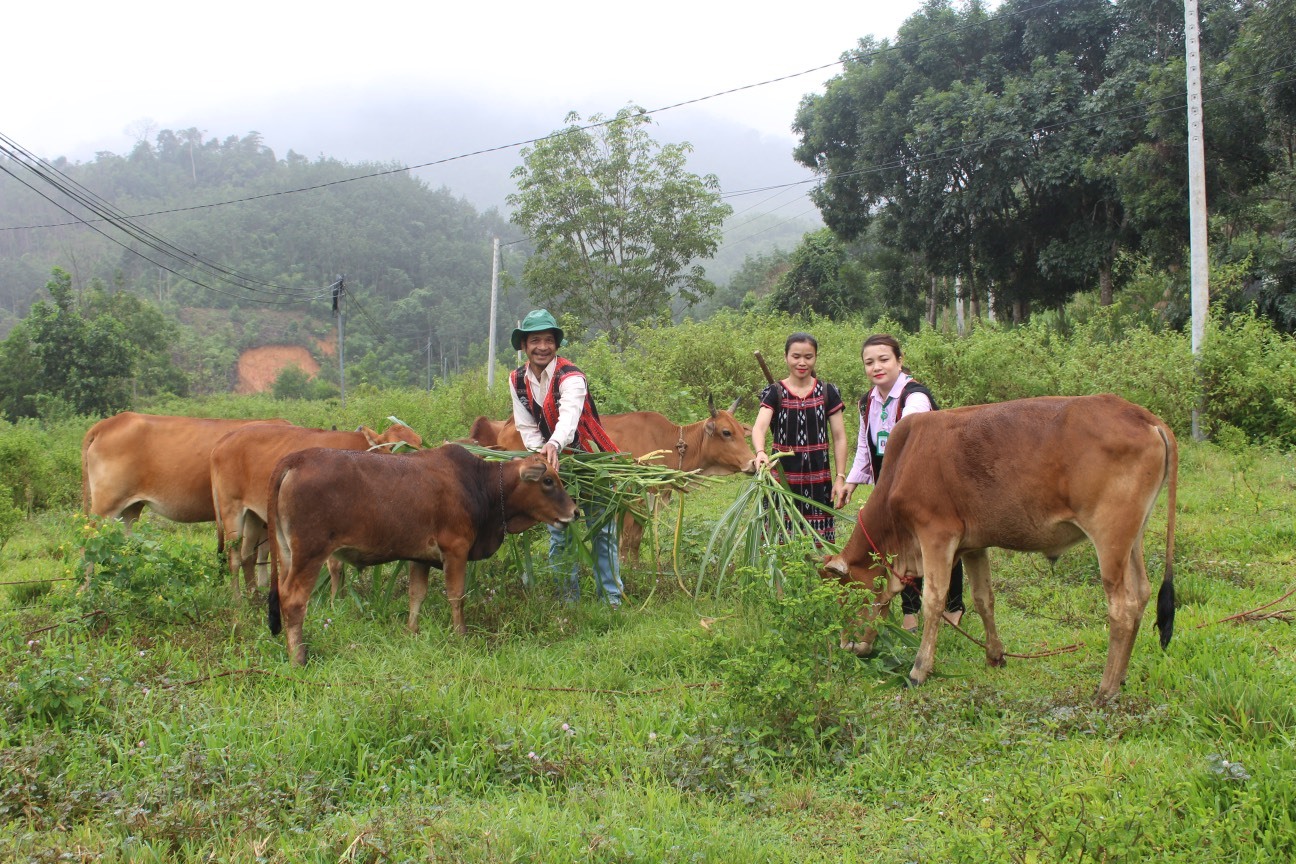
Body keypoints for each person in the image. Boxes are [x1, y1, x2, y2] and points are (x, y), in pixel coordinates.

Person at [839, 333, 965, 631]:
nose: (876, 367)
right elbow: (863, 446)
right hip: (888, 481)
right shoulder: (866, 401)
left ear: (899, 360)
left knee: (940, 539)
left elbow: (910, 441)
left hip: (923, 480)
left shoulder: (915, 397)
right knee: (901, 546)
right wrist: (852, 482)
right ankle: (911, 609)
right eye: (869, 362)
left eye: (884, 359)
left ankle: (954, 605)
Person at [509, 309, 624, 607]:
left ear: (556, 345)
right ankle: (566, 603)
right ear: (524, 345)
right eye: (535, 340)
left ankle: (611, 601)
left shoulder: (572, 376)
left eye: (549, 340)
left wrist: (555, 445)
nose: (542, 346)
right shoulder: (517, 380)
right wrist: (542, 455)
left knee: (603, 530)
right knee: (559, 531)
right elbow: (525, 423)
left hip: (590, 460)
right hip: (553, 466)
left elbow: (570, 416)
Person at [751, 332, 849, 544]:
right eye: (796, 356)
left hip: (819, 480)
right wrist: (760, 452)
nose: (802, 362)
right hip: (782, 480)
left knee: (818, 545)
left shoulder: (827, 391)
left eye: (808, 357)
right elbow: (759, 428)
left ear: (815, 358)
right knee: (780, 543)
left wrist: (840, 477)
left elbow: (839, 437)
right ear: (786, 357)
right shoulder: (775, 392)